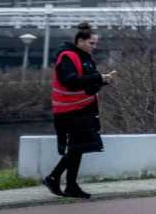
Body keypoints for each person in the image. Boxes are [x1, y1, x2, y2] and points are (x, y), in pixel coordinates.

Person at [42, 22, 111, 199]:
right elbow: (69, 81)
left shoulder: (84, 57)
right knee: (76, 148)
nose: (94, 47)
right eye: (91, 43)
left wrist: (101, 82)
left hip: (84, 108)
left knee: (79, 147)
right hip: (71, 110)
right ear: (80, 41)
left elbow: (86, 84)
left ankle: (70, 185)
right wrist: (96, 77)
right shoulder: (68, 57)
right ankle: (54, 177)